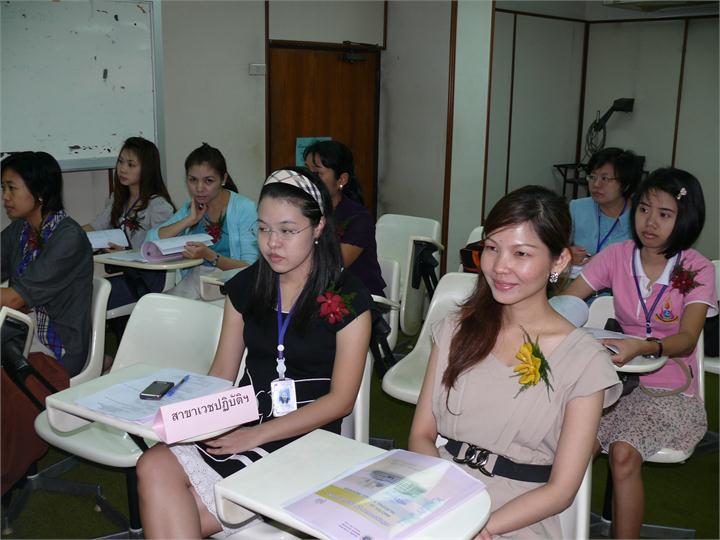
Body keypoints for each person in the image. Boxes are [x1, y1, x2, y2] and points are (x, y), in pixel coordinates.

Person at [136, 168, 372, 538]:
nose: (272, 243)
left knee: (176, 510)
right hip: (244, 418)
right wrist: (188, 419)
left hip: (307, 435)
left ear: (318, 227)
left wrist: (256, 436)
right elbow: (221, 372)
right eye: (263, 229)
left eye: (287, 231)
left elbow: (341, 401)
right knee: (152, 464)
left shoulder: (347, 297)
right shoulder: (246, 286)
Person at [409, 186, 621, 538]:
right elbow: (421, 435)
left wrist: (482, 527)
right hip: (439, 493)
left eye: (521, 253)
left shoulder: (585, 362)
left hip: (517, 515)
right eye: (492, 248)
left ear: (559, 261)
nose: (500, 267)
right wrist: (449, 505)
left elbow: (561, 490)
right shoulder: (456, 329)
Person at [565, 168, 716, 538]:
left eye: (665, 214)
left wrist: (645, 346)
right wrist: (553, 291)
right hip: (615, 383)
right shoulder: (618, 256)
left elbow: (687, 338)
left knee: (623, 454)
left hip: (671, 392)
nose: (650, 222)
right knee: (572, 448)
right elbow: (569, 301)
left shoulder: (696, 267)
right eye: (644, 209)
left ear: (686, 218)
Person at [1, 151, 93, 494]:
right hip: (23, 334)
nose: (5, 197)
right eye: (3, 188)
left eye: (11, 188)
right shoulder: (21, 230)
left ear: (39, 192)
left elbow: (15, 299)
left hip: (58, 347)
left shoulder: (68, 237)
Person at [145, 143, 258, 299]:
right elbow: (150, 242)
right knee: (153, 305)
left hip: (230, 288)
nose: (199, 188)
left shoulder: (244, 208)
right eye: (193, 180)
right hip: (195, 284)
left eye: (208, 181)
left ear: (223, 179)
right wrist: (189, 220)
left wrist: (210, 256)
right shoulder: (191, 208)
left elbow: (250, 268)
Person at [304, 140, 385, 296]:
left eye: (317, 173)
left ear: (341, 180)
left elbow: (333, 266)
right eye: (307, 171)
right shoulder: (307, 211)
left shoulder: (359, 218)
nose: (308, 179)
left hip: (359, 298)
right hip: (317, 292)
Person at [570, 147, 642, 266]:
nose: (596, 184)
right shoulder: (577, 208)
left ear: (626, 185)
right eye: (592, 177)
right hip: (579, 275)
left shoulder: (640, 216)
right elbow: (554, 247)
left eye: (605, 178)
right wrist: (568, 253)